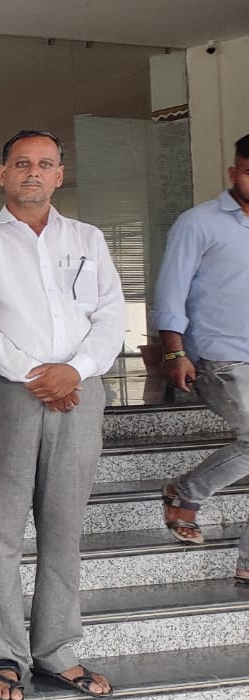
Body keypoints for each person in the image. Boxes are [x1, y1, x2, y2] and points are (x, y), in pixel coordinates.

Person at [0, 130, 125, 700]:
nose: (33, 172)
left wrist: (75, 370)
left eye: (44, 164)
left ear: (59, 175)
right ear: (1, 173)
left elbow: (110, 315)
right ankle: (5, 654)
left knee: (63, 529)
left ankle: (57, 649)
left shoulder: (88, 239)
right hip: (8, 397)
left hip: (79, 394)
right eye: (22, 163)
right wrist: (37, 374)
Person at [154, 132, 249, 585]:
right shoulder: (198, 223)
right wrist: (174, 351)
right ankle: (186, 491)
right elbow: (170, 292)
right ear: (234, 173)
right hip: (218, 358)